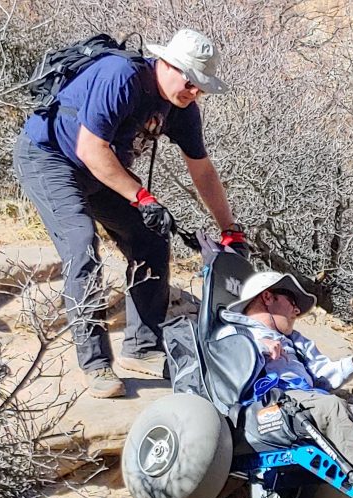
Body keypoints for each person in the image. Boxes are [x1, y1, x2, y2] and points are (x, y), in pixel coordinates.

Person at [14, 28, 246, 399]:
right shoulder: (120, 77)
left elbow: (201, 169)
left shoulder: (182, 109)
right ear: (166, 64)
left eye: (201, 86)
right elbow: (91, 149)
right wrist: (142, 197)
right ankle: (95, 364)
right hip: (50, 158)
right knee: (81, 243)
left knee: (151, 237)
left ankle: (143, 347)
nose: (194, 91)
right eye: (190, 81)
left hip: (102, 171)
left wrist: (230, 229)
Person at [218, 268, 353, 472]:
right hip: (264, 409)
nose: (296, 311)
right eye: (292, 302)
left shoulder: (296, 341)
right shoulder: (233, 333)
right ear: (268, 297)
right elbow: (227, 369)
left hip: (304, 402)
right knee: (332, 408)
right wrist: (258, 347)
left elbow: (323, 375)